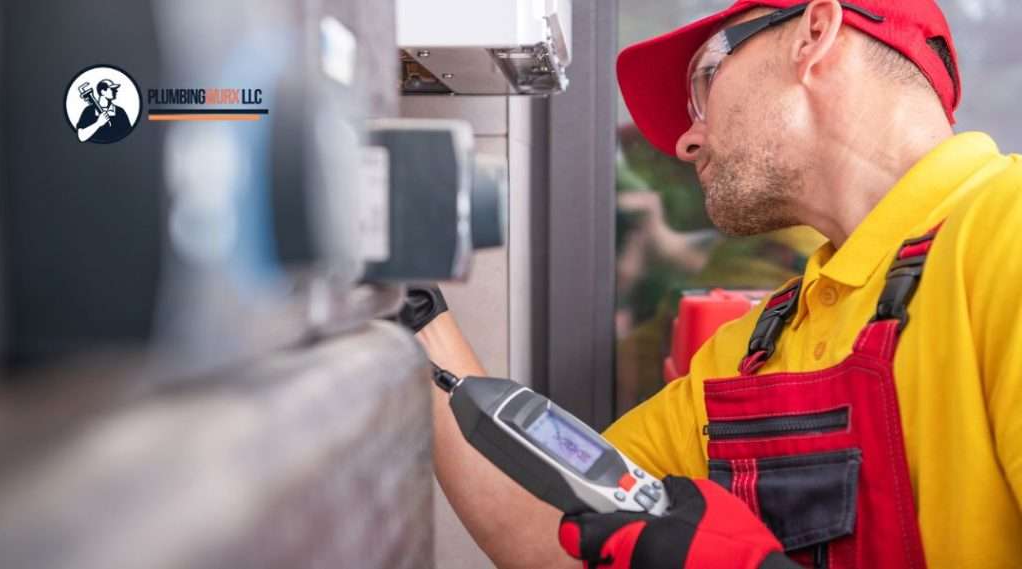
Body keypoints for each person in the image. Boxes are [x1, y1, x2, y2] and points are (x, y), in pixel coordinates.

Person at [410, 0, 1022, 566]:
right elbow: (561, 532)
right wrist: (414, 309)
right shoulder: (756, 349)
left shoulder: (1006, 231)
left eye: (704, 82)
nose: (687, 139)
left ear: (814, 35)